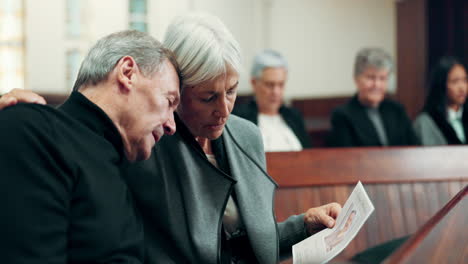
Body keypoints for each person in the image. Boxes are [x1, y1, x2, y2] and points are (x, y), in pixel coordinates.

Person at [1, 14, 341, 264]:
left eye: (233, 92)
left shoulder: (243, 136)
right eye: (206, 98)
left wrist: (303, 225)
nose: (224, 110)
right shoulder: (139, 145)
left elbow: (246, 242)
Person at [0, 30, 180, 263]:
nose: (171, 126)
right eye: (169, 101)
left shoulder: (121, 168)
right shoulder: (33, 129)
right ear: (127, 73)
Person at [327, 47, 420, 147]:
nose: (377, 85)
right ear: (356, 79)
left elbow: (415, 148)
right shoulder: (343, 116)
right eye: (371, 77)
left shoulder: (397, 110)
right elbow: (345, 158)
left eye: (382, 78)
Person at [233, 49, 311, 151]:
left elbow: (309, 155)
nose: (276, 92)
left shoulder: (294, 116)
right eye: (270, 85)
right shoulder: (240, 118)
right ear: (253, 83)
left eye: (281, 84)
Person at [413, 56, 468, 145]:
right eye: (455, 81)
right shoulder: (426, 122)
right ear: (441, 85)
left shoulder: (464, 116)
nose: (462, 88)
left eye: (465, 80)